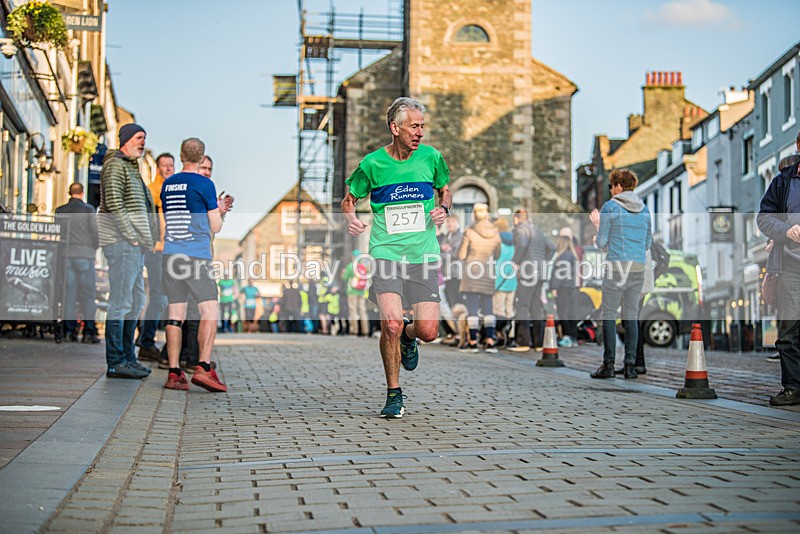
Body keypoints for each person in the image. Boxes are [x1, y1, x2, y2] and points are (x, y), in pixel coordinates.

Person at [341, 96, 450, 418]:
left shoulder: (431, 157)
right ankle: (394, 393)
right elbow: (349, 199)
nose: (420, 133)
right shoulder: (372, 164)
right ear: (395, 127)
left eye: (422, 127)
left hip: (422, 254)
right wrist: (351, 219)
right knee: (390, 324)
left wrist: (444, 208)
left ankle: (409, 337)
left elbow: (445, 189)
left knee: (428, 331)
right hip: (386, 252)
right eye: (414, 127)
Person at [161, 137, 231, 392]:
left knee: (175, 314)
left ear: (181, 156)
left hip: (171, 254)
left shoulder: (168, 184)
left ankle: (174, 373)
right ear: (201, 158)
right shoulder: (205, 184)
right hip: (197, 255)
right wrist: (219, 210)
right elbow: (215, 226)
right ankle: (203, 367)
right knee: (209, 310)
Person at [98, 123, 154, 379]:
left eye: (144, 138)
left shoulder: (132, 167)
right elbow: (114, 203)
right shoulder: (115, 165)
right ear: (126, 140)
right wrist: (131, 236)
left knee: (137, 301)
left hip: (135, 245)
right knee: (120, 303)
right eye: (139, 138)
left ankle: (129, 357)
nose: (142, 142)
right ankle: (116, 361)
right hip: (122, 243)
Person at [589, 168, 652, 379]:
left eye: (611, 186)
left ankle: (608, 364)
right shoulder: (644, 210)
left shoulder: (610, 207)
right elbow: (647, 244)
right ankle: (630, 366)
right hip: (638, 268)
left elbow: (601, 242)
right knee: (631, 316)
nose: (610, 190)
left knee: (608, 314)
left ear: (618, 186)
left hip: (616, 268)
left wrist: (599, 231)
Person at [757, 130, 800, 405]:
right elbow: (764, 218)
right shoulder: (783, 182)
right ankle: (793, 388)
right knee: (789, 332)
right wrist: (785, 231)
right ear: (798, 146)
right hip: (791, 265)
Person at [138, 152, 174, 361]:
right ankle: (146, 342)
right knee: (159, 297)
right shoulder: (151, 191)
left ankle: (150, 340)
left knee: (167, 298)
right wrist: (151, 243)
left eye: (171, 166)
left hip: (171, 251)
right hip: (157, 250)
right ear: (157, 168)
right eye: (164, 165)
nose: (168, 169)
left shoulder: (173, 191)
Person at [55, 182, 100, 343]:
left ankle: (69, 332)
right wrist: (94, 247)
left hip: (67, 255)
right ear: (82, 193)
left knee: (69, 295)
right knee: (88, 295)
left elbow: (58, 232)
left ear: (69, 192)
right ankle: (89, 332)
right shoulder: (88, 210)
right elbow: (95, 232)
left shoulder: (60, 210)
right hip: (85, 255)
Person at [456, 203, 501, 353]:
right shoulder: (495, 232)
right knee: (488, 308)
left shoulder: (469, 231)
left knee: (472, 308)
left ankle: (473, 342)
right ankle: (490, 341)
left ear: (474, 215)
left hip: (472, 273)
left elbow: (461, 254)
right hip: (487, 273)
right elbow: (497, 254)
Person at [509, 209, 555, 352]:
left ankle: (523, 342)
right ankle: (538, 343)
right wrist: (543, 261)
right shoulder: (538, 231)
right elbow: (552, 247)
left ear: (516, 218)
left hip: (527, 272)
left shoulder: (520, 229)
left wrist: (515, 261)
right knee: (536, 307)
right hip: (540, 273)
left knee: (522, 306)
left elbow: (522, 244)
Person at [550, 235, 579, 348]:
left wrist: (554, 287)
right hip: (571, 286)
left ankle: (567, 336)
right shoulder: (572, 255)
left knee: (563, 312)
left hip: (563, 287)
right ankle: (573, 337)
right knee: (571, 312)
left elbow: (560, 273)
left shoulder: (563, 256)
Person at [493, 218, 516, 348]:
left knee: (499, 310)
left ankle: (500, 336)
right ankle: (511, 337)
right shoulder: (514, 242)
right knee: (510, 310)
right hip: (511, 279)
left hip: (499, 280)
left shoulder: (497, 241)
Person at [342, 249, 369, 336]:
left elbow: (345, 278)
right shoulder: (363, 267)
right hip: (361, 291)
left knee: (353, 310)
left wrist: (343, 274)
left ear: (353, 257)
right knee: (362, 310)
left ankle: (354, 330)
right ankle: (365, 330)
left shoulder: (350, 266)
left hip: (352, 291)